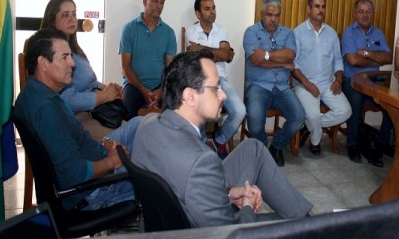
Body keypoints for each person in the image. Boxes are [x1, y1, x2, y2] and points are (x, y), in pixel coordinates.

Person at [131, 50, 313, 227]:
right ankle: (310, 226)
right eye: (215, 88)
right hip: (198, 232)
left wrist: (229, 192)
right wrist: (248, 205)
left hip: (176, 211)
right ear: (190, 96)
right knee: (297, 225)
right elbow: (228, 233)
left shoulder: (147, 123)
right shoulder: (201, 161)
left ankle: (304, 218)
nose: (223, 95)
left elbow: (185, 187)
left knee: (253, 149)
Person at [13, 28, 141, 211]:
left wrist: (104, 146)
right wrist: (112, 162)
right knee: (160, 178)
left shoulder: (38, 93)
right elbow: (77, 173)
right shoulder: (46, 110)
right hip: (88, 192)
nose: (72, 63)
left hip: (93, 163)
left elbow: (73, 139)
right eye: (64, 57)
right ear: (43, 63)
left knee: (139, 123)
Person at [39, 0, 123, 141]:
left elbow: (90, 82)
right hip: (74, 121)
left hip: (92, 113)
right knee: (135, 133)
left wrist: (110, 90)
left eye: (74, 14)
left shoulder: (74, 48)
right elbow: (67, 101)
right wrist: (104, 96)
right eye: (65, 15)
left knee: (139, 126)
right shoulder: (53, 55)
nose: (72, 19)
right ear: (52, 21)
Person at [243, 0, 306, 167]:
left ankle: (277, 146)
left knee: (299, 117)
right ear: (262, 13)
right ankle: (262, 150)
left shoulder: (288, 33)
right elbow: (256, 61)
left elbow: (291, 55)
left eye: (277, 15)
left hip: (282, 87)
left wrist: (266, 55)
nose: (273, 19)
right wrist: (283, 62)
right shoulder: (251, 32)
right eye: (269, 15)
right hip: (258, 85)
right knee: (255, 121)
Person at [185, 0, 246, 159]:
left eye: (213, 8)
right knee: (200, 110)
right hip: (200, 81)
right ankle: (203, 149)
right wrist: (219, 53)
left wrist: (202, 49)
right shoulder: (191, 30)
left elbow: (226, 54)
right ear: (198, 14)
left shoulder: (222, 29)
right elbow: (200, 57)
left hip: (221, 81)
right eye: (207, 9)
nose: (212, 12)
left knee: (240, 111)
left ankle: (218, 142)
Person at [292, 0, 352, 155]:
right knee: (312, 114)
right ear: (309, 9)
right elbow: (293, 63)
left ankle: (311, 127)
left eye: (323, 6)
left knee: (346, 111)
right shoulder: (298, 33)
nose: (321, 10)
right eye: (317, 6)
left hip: (328, 83)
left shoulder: (331, 33)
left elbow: (338, 61)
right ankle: (315, 140)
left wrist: (339, 79)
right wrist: (306, 83)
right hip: (305, 85)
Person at [341, 0, 393, 165]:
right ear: (355, 14)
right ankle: (352, 144)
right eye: (361, 11)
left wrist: (365, 53)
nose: (365, 15)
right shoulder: (349, 32)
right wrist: (376, 60)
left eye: (368, 11)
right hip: (352, 81)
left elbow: (388, 57)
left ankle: (383, 142)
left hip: (374, 81)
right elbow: (352, 61)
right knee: (356, 102)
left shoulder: (378, 33)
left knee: (392, 103)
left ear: (372, 13)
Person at [119, 0, 177, 118]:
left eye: (162, 2)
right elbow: (125, 67)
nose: (159, 6)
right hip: (134, 86)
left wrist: (161, 90)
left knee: (173, 115)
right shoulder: (129, 29)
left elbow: (170, 69)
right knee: (127, 113)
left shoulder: (169, 32)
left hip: (160, 86)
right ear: (145, 2)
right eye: (155, 1)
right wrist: (142, 89)